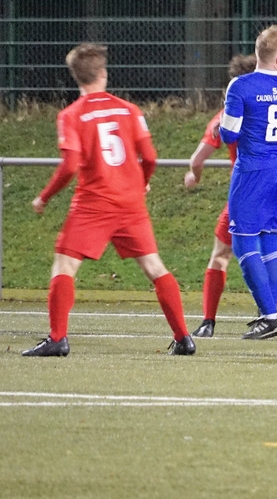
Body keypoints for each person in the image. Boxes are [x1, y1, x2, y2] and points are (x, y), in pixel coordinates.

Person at [23, 43, 195, 357]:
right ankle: (183, 337)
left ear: (76, 77)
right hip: (130, 203)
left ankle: (58, 338)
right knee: (154, 267)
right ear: (103, 73)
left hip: (93, 203)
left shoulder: (71, 115)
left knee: (64, 265)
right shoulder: (129, 110)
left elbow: (70, 166)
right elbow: (150, 157)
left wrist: (44, 196)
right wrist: (142, 183)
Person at [184, 54, 277, 339]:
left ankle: (210, 322)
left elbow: (198, 158)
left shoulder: (227, 113)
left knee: (221, 256)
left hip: (247, 191)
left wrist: (194, 175)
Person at [218, 25, 277, 340]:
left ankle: (270, 315)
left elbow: (229, 134)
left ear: (257, 54)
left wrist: (226, 124)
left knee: (243, 241)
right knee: (270, 241)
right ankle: (270, 314)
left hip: (253, 170)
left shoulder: (240, 86)